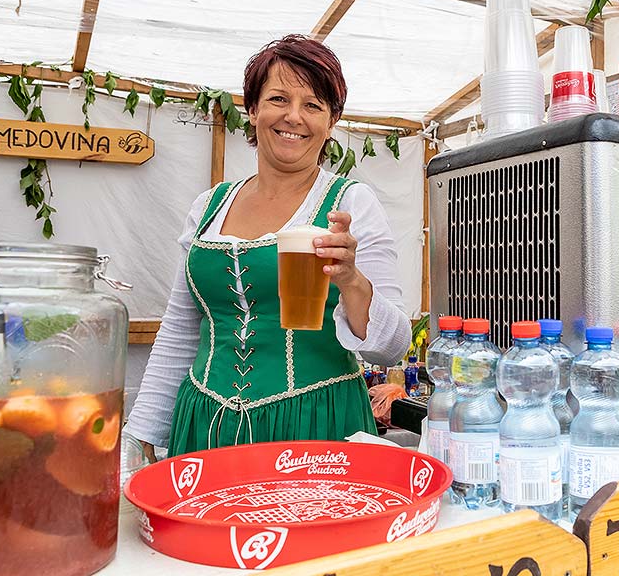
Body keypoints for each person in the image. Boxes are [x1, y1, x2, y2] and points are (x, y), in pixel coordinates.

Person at [124, 35, 412, 460]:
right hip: (206, 424)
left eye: (313, 105)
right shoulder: (208, 206)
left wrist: (352, 280)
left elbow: (392, 347)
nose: (293, 117)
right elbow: (181, 329)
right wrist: (143, 429)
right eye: (278, 98)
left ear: (331, 122)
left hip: (317, 424)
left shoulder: (351, 203)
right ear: (253, 109)